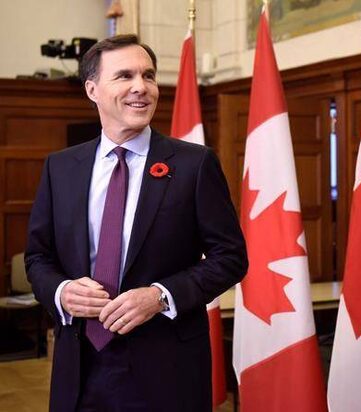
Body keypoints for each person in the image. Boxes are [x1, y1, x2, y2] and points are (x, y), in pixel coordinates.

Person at [25, 34, 247, 412]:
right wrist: (61, 291)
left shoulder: (194, 165)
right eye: (125, 76)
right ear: (92, 90)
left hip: (166, 369)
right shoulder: (60, 168)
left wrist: (160, 296)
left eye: (149, 76)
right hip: (79, 367)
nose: (141, 87)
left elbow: (231, 258)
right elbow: (37, 258)